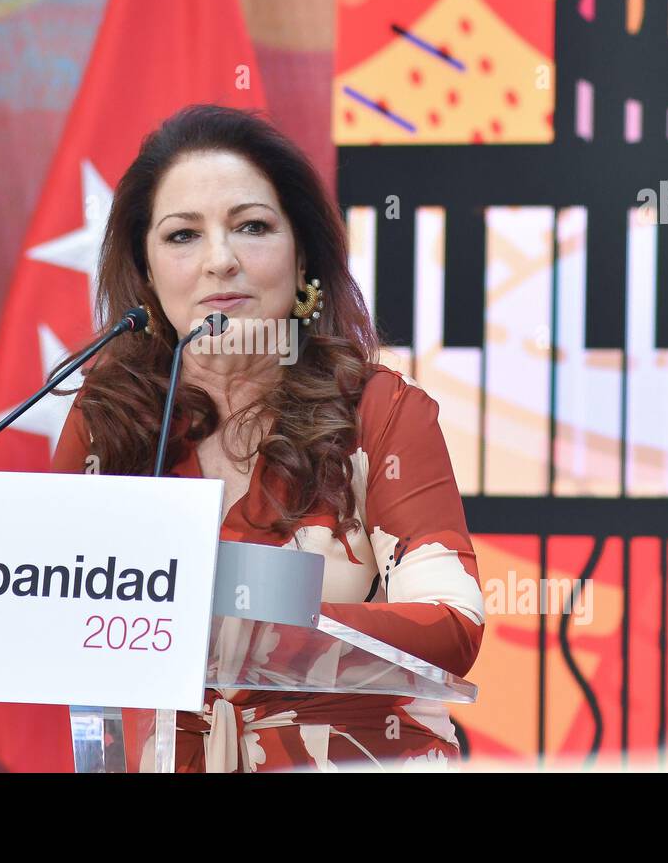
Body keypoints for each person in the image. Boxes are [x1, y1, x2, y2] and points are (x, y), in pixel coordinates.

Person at [48, 104, 484, 772]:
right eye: (183, 236)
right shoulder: (109, 423)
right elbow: (51, 614)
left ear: (302, 251)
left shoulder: (380, 412)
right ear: (146, 267)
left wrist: (244, 623)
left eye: (252, 227)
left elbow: (451, 625)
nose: (220, 261)